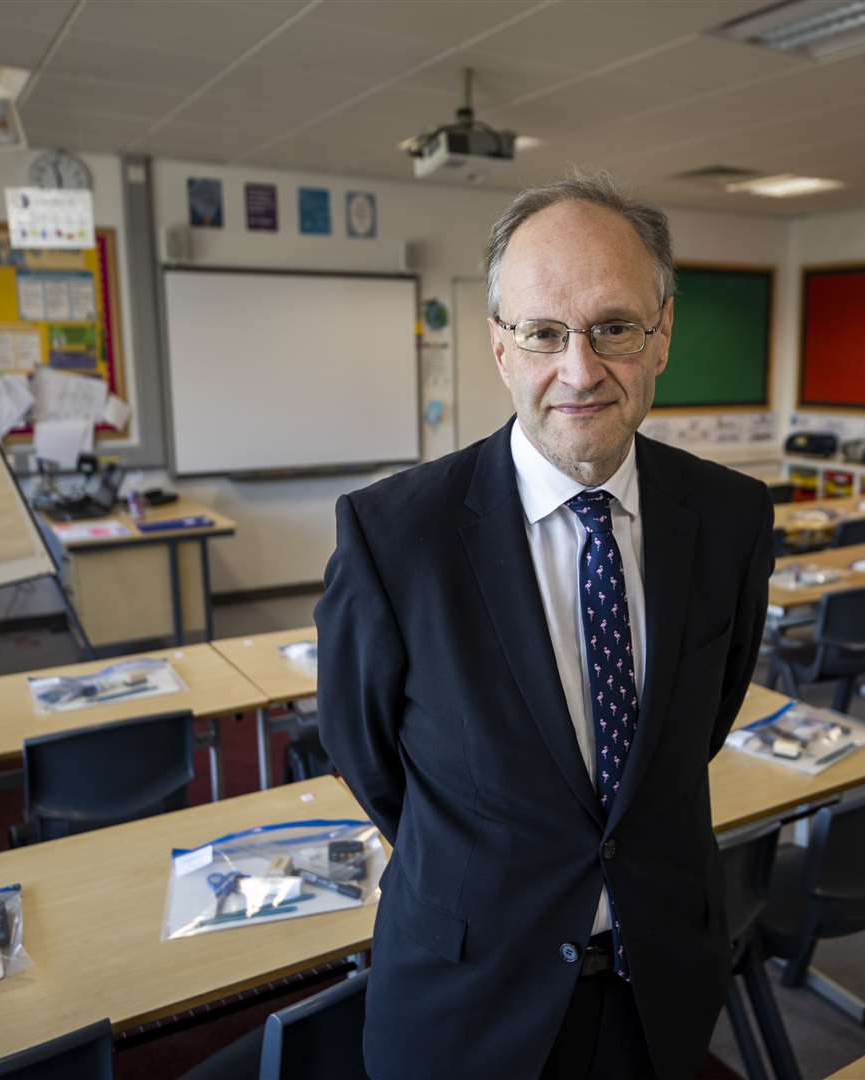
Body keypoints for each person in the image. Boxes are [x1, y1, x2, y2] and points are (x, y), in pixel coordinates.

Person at [317, 173, 774, 1079]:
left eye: (614, 328)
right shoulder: (392, 535)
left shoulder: (731, 518)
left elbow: (703, 725)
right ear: (499, 347)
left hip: (660, 987)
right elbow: (365, 752)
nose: (580, 368)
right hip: (467, 994)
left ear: (663, 335)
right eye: (543, 332)